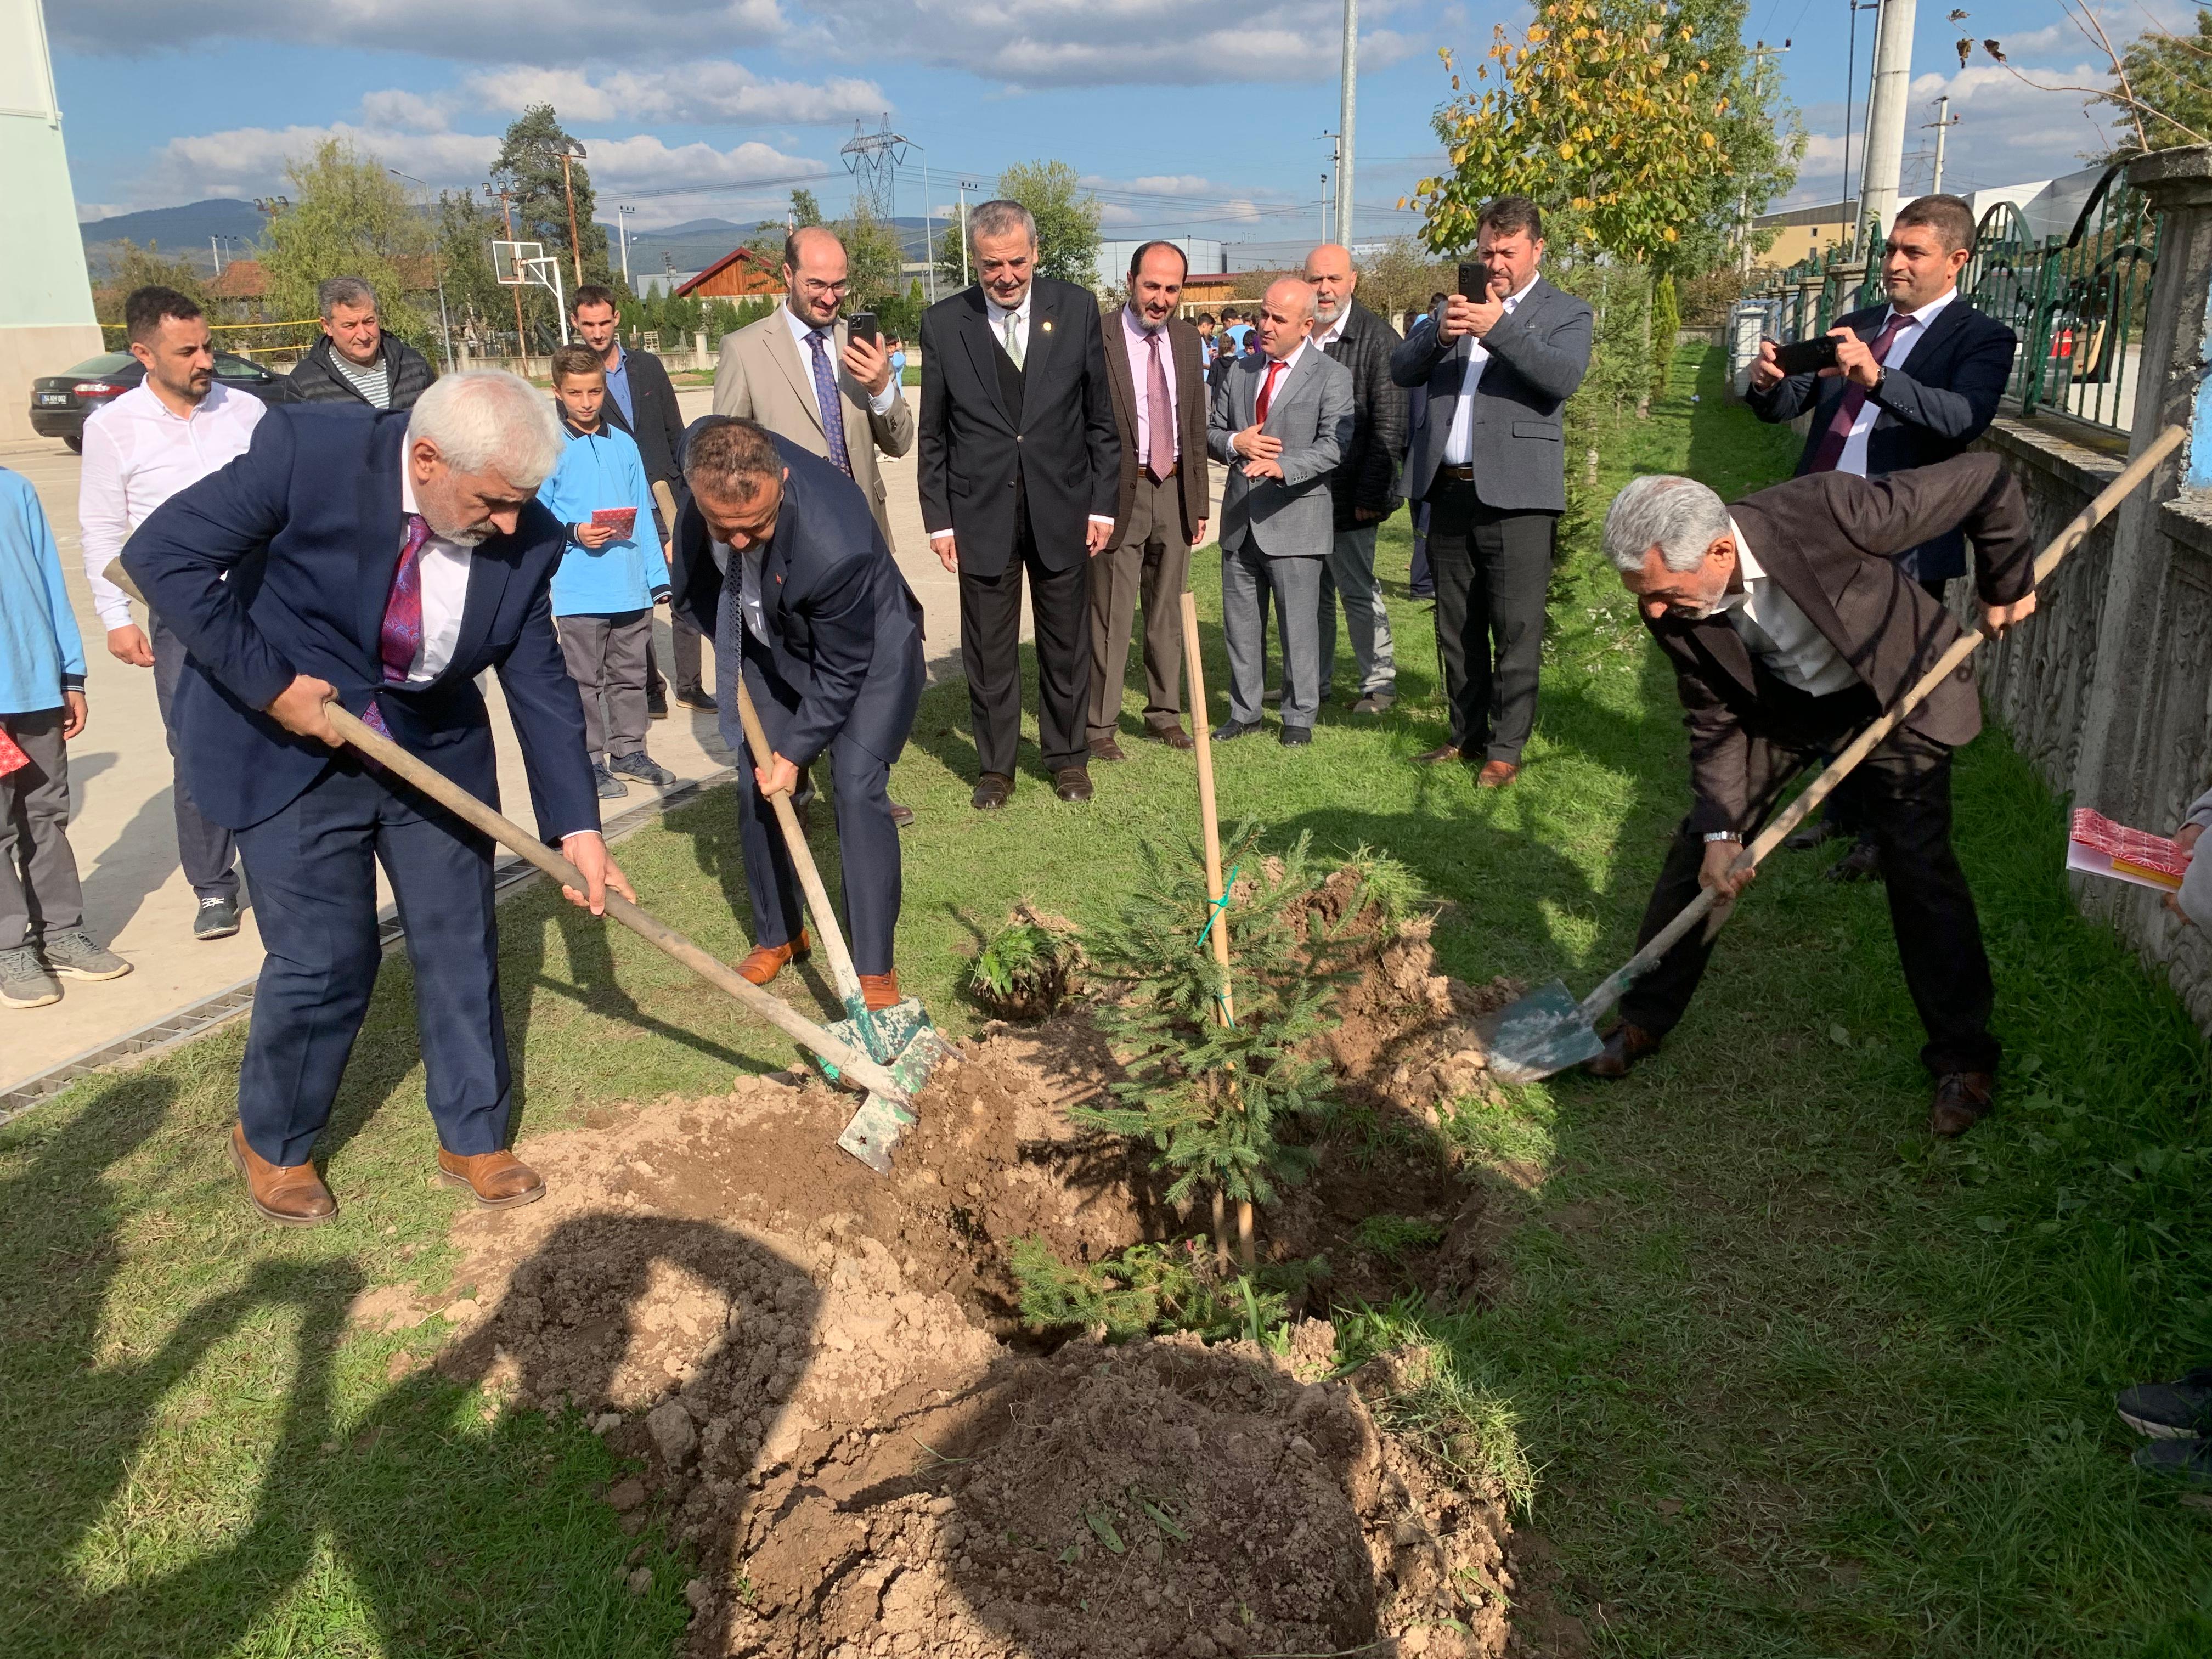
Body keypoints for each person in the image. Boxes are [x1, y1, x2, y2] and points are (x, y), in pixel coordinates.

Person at [123, 371, 630, 1224]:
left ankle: (473, 1134)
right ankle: (274, 1139)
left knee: (459, 937)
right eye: (494, 502)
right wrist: (272, 685)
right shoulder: (306, 454)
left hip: (432, 749)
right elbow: (162, 557)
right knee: (327, 957)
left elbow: (537, 677)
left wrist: (577, 824)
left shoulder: (530, 535)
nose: (510, 525)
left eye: (521, 504)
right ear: (426, 459)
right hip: (287, 743)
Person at [1589, 454, 2038, 1137]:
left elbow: (1986, 479)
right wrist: (1723, 835)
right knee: (1702, 851)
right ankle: (1644, 1016)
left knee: (1918, 866)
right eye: (1643, 593)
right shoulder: (1672, 604)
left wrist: (2006, 581)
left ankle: (1963, 1057)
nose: (1652, 610)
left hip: (1897, 690)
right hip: (1785, 706)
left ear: (1718, 550)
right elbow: (1713, 720)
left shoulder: (1827, 512)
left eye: (1662, 593)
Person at [1748, 193, 2020, 882]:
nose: (1894, 263)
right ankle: (1840, 810)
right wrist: (1766, 383)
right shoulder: (1857, 323)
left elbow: (1961, 420)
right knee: (1824, 674)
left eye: (1913, 252)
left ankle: (1882, 832)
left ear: (1957, 260)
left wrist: (1879, 378)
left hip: (1902, 534)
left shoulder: (1980, 337)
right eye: (1892, 249)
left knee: (1893, 687)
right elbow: (1788, 405)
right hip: (1818, 525)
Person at [671, 418, 924, 1003]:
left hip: (866, 653)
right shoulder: (704, 450)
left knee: (858, 788)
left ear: (781, 482)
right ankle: (780, 934)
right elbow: (698, 586)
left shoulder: (837, 545)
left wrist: (795, 753)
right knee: (754, 784)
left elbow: (839, 674)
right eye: (722, 527)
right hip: (767, 639)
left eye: (754, 527)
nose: (737, 542)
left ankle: (872, 968)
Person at [715, 225, 920, 827]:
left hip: (864, 546)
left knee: (865, 663)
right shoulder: (747, 349)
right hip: (790, 551)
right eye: (817, 285)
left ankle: (863, 784)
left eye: (839, 285)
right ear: (786, 277)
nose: (830, 298)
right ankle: (796, 779)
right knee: (804, 668)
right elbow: (726, 457)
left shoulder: (860, 349)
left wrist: (883, 386)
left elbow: (900, 439)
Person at [78, 284, 266, 941]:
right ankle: (214, 886)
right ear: (143, 354)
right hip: (182, 619)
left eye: (208, 344)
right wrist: (115, 617)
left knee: (276, 731)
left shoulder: (244, 411)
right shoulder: (112, 429)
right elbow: (101, 532)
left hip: (258, 602)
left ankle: (275, 865)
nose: (204, 360)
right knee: (195, 747)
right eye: (187, 351)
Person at [917, 199, 1119, 808]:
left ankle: (1066, 759)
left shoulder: (1078, 308)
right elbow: (934, 431)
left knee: (1065, 645)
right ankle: (996, 769)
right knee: (989, 652)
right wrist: (939, 520)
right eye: (990, 265)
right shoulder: (943, 322)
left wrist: (1102, 506)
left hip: (1063, 508)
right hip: (980, 515)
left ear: (1035, 254)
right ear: (974, 261)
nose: (1005, 276)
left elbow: (1101, 419)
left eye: (1016, 262)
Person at [1391, 197, 1592, 787]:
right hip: (1447, 489)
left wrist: (1498, 327)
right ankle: (1465, 734)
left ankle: (1506, 749)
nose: (1495, 262)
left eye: (1507, 252)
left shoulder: (1567, 311)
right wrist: (1437, 336)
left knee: (1515, 627)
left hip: (1519, 496)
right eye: (1486, 252)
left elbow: (1561, 378)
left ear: (1537, 249)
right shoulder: (1452, 308)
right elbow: (1402, 368)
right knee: (1455, 624)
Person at [1, 469, 132, 1010]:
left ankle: (62, 933)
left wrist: (70, 674)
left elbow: (50, 584)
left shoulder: (15, 488)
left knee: (46, 814)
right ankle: (11, 947)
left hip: (35, 686)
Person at [1206, 277, 1353, 747]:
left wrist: (1282, 466)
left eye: (1277, 319)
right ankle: (1244, 712)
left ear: (1307, 325)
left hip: (1296, 520)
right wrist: (1235, 442)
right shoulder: (1240, 371)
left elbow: (1335, 446)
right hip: (1239, 521)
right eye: (1262, 315)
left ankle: (1298, 716)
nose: (1264, 326)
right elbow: (1211, 431)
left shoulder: (1332, 376)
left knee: (1298, 628)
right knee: (1241, 626)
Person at [1089, 241, 1211, 760]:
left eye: (1171, 289)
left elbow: (1194, 425)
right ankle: (1099, 727)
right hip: (1119, 493)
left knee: (1166, 612)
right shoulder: (1097, 335)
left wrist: (1199, 501)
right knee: (1111, 616)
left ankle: (1164, 714)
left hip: (1176, 488)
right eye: (1152, 286)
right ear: (1131, 281)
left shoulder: (1186, 339)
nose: (1161, 298)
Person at [540, 342, 674, 800]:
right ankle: (591, 759)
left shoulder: (626, 444)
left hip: (629, 587)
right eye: (576, 393)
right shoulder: (548, 448)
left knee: (631, 676)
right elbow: (535, 518)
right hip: (579, 591)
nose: (587, 402)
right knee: (583, 682)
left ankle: (629, 750)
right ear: (557, 392)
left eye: (595, 391)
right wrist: (574, 531)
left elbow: (643, 516)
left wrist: (656, 578)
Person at [572, 284, 702, 716]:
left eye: (603, 322)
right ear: (576, 323)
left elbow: (675, 432)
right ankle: (650, 691)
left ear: (616, 319)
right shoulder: (577, 382)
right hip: (619, 505)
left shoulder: (648, 367)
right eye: (588, 324)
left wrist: (686, 496)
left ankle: (691, 685)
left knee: (684, 588)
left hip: (665, 496)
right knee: (636, 599)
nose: (597, 332)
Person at [1304, 243, 1406, 714]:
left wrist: (1373, 493)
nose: (1324, 289)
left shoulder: (1377, 339)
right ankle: (1314, 684)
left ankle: (1378, 685)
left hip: (1353, 495)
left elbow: (1390, 422)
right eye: (1315, 280)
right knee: (1314, 593)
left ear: (1353, 281)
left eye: (1333, 279)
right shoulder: (1304, 336)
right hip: (1305, 495)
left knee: (1358, 589)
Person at [286, 275, 438, 410]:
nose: (363, 335)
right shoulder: (304, 385)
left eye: (369, 322)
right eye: (350, 326)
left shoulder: (415, 367)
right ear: (327, 326)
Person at [1406, 291, 1451, 602]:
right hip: (1429, 439)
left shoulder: (1415, 337)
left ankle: (1424, 579)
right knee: (1428, 517)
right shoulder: (1433, 340)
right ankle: (1423, 582)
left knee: (1421, 513)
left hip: (1413, 438)